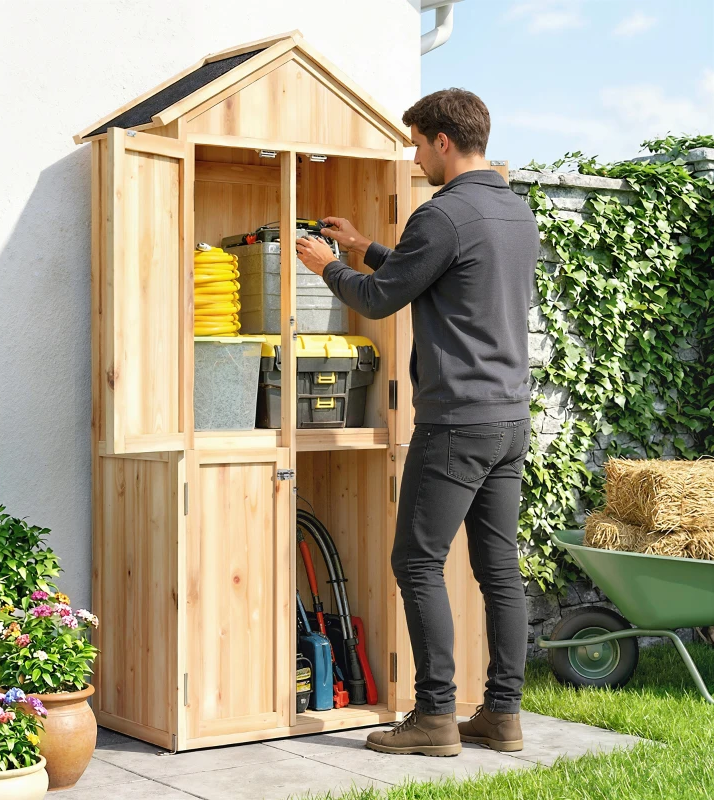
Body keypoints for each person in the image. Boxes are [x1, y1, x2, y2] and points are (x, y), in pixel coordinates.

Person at [295, 88, 538, 757]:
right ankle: (503, 715)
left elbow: (380, 299)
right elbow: (437, 274)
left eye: (415, 143)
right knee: (499, 570)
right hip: (509, 418)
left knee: (416, 560)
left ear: (440, 141)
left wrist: (330, 267)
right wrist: (368, 244)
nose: (414, 156)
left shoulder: (443, 214)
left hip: (456, 419)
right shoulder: (515, 213)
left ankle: (434, 717)